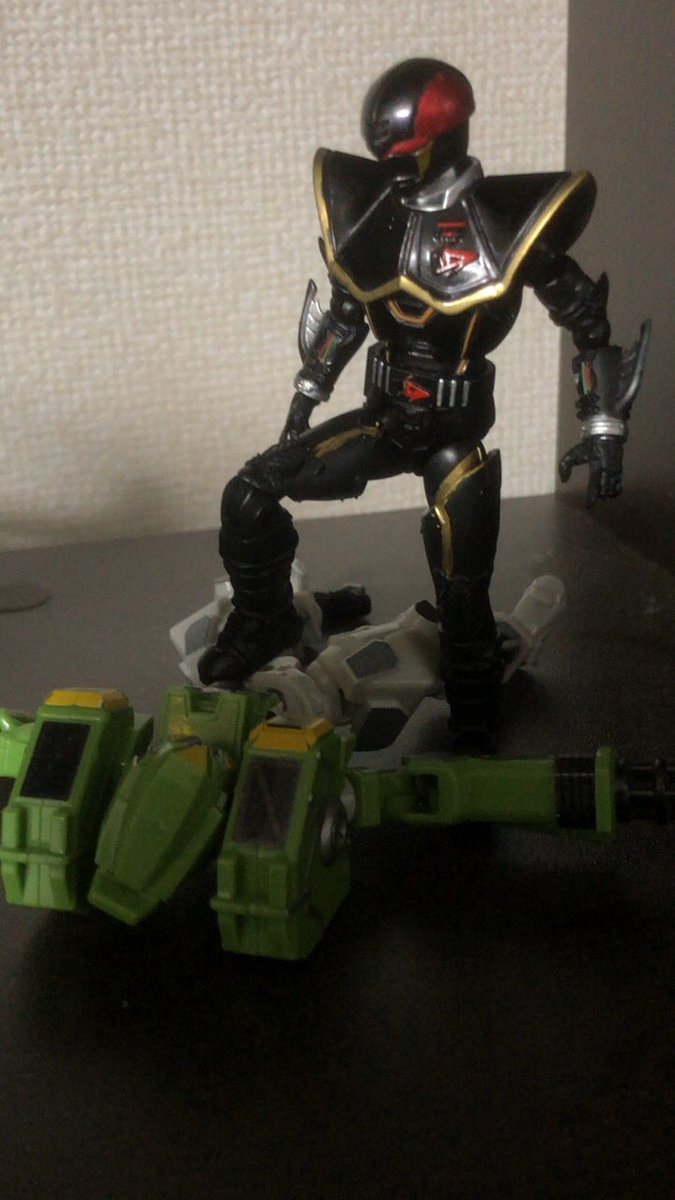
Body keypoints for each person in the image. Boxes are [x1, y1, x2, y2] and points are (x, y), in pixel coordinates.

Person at [198, 58, 646, 746]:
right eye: (389, 157)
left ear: (446, 139)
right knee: (249, 494)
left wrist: (604, 426)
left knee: (462, 598)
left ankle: (473, 687)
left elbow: (585, 318)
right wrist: (306, 394)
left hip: (453, 436)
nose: (396, 171)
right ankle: (264, 620)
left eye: (407, 155)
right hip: (383, 420)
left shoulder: (506, 223)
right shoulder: (372, 212)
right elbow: (344, 314)